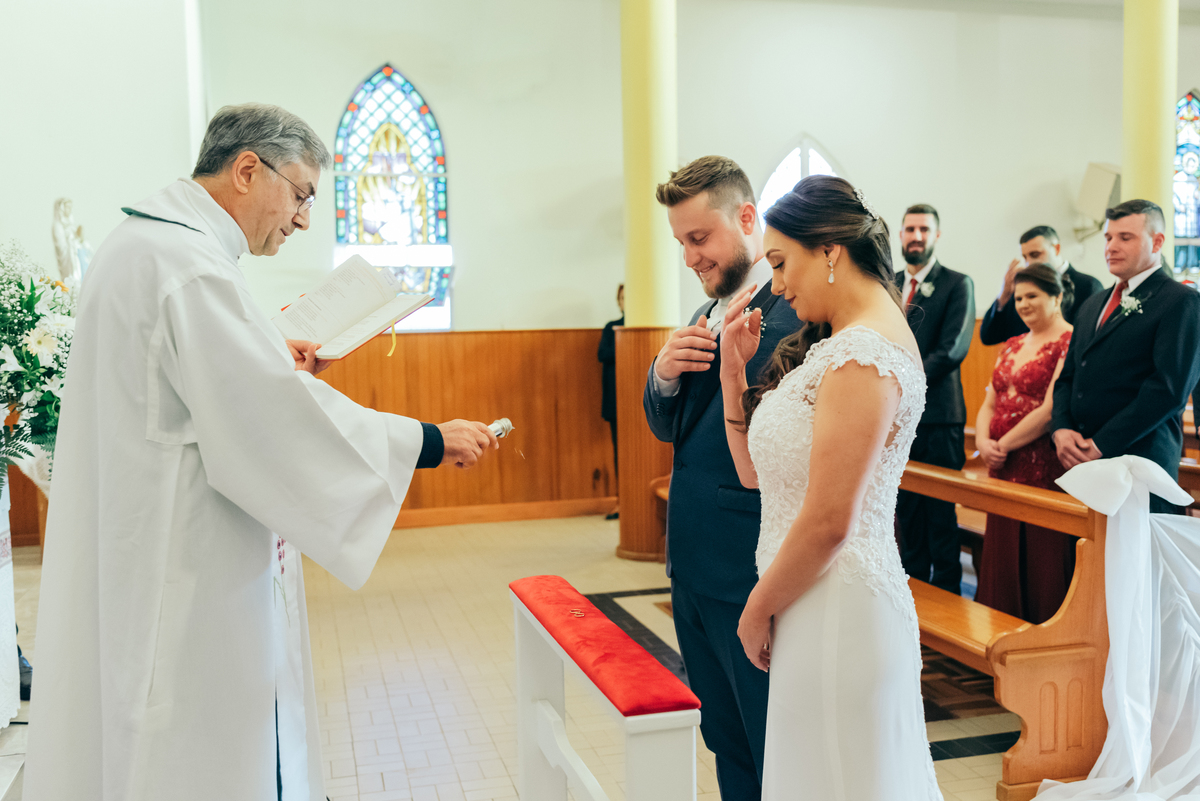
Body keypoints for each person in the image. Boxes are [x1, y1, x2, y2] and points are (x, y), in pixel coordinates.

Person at [23, 103, 499, 801]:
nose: (304, 217)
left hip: (139, 542)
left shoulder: (147, 247)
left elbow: (194, 392)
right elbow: (269, 421)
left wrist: (268, 356)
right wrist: (427, 439)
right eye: (302, 193)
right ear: (248, 169)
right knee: (187, 754)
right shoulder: (188, 266)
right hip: (179, 569)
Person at [719, 175, 938, 799]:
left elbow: (830, 520)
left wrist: (756, 607)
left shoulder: (864, 356)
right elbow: (755, 476)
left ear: (831, 250)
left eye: (783, 263)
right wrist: (733, 376)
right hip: (814, 600)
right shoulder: (839, 347)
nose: (779, 286)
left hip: (838, 606)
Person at [643, 156, 802, 801]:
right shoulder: (705, 311)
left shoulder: (795, 313)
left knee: (770, 740)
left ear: (745, 218)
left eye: (699, 238)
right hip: (693, 561)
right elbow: (670, 430)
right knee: (725, 736)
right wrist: (663, 375)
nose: (689, 257)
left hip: (749, 564)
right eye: (680, 242)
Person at [1051, 199, 1200, 514]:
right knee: (1090, 558)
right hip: (1080, 457)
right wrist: (1061, 429)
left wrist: (1101, 443)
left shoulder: (1180, 301)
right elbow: (1068, 376)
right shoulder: (1093, 304)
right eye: (1108, 237)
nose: (1111, 246)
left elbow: (1168, 389)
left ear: (1157, 241)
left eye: (1125, 237)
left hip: (1140, 458)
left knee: (1136, 559)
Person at [973, 264, 1074, 623]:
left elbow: (1050, 409)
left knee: (1041, 549)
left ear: (1057, 297)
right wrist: (984, 440)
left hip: (1039, 461)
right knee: (1002, 545)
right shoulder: (1013, 343)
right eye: (1018, 298)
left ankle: (1042, 631)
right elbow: (990, 401)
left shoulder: (1069, 341)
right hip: (1001, 462)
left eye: (1033, 296)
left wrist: (1003, 445)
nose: (1024, 304)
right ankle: (999, 629)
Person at [893, 204, 976, 594]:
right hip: (896, 417)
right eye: (910, 229)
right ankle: (913, 597)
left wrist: (897, 379)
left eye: (924, 229)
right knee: (906, 510)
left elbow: (953, 349)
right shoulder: (888, 284)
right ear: (900, 235)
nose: (917, 236)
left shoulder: (958, 283)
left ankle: (946, 594)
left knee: (941, 515)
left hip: (940, 417)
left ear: (936, 235)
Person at [979, 225, 1103, 345]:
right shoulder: (1021, 289)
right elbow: (989, 337)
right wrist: (1004, 295)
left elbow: (1087, 338)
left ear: (1056, 249)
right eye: (1025, 257)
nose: (1029, 263)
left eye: (1035, 255)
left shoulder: (1088, 285)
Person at [598, 284, 624, 519]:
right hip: (615, 401)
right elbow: (602, 355)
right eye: (623, 298)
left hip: (639, 403)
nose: (627, 301)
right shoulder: (611, 327)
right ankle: (620, 501)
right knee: (619, 451)